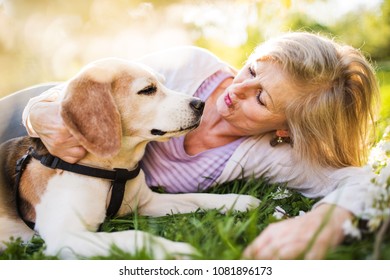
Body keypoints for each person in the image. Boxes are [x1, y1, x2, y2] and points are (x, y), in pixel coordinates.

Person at [3, 32, 379, 259]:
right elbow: (100, 83)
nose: (236, 90)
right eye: (250, 70)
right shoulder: (190, 65)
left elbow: (371, 181)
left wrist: (328, 220)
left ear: (286, 130)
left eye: (261, 99)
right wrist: (41, 114)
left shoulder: (274, 155)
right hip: (20, 116)